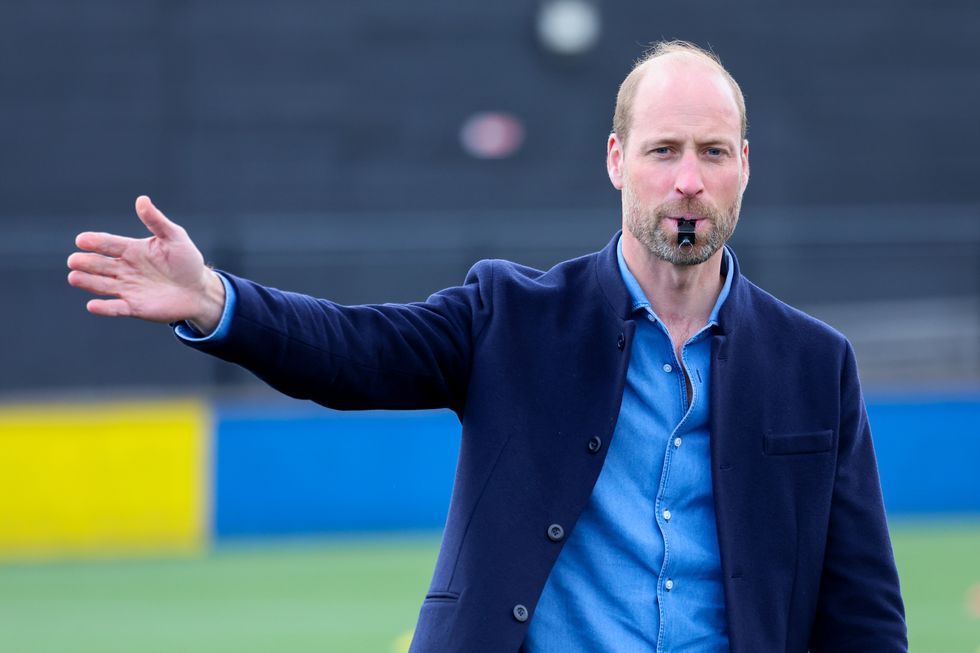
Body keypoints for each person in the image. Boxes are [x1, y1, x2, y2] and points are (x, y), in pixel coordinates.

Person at [67, 40, 907, 652]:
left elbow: (864, 609)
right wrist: (218, 300)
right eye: (664, 151)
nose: (688, 177)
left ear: (744, 166)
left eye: (712, 152)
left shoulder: (816, 365)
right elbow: (354, 349)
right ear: (617, 161)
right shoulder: (513, 315)